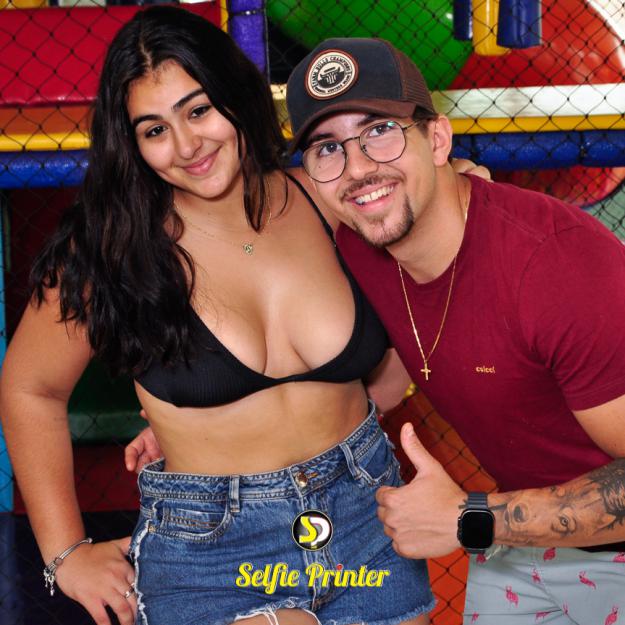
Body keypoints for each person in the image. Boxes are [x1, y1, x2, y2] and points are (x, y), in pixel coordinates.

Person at [0, 9, 440, 625]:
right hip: (214, 554)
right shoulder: (111, 248)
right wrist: (64, 554)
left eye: (199, 110)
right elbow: (30, 387)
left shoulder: (327, 196)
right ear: (131, 142)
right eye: (155, 129)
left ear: (234, 96)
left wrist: (458, 184)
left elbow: (413, 313)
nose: (187, 146)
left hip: (367, 517)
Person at [280, 37, 625, 625]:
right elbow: (383, 384)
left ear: (438, 140)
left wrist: (470, 518)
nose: (357, 168)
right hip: (517, 534)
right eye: (328, 148)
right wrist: (204, 429)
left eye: (380, 132)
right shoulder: (363, 246)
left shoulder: (558, 266)